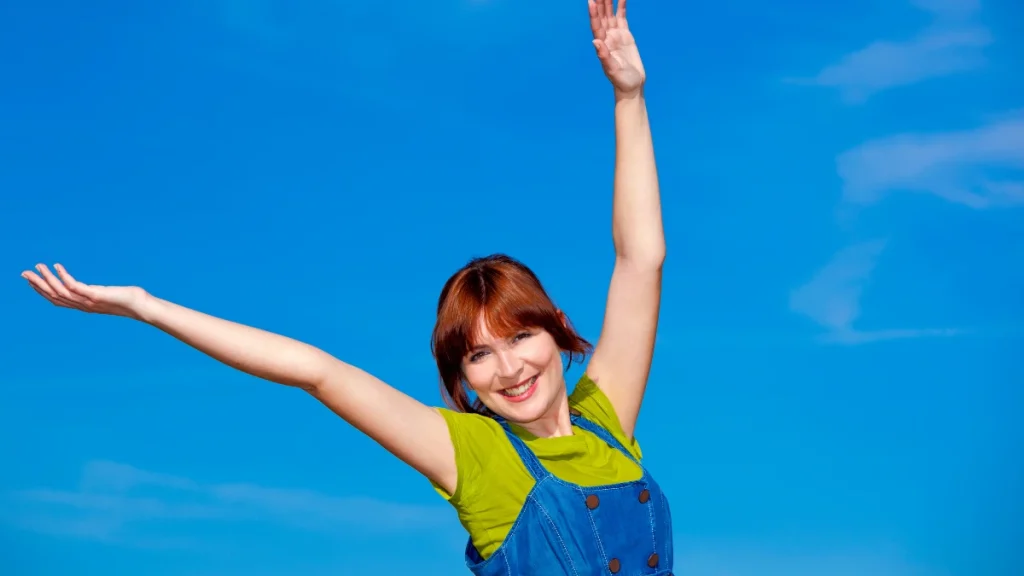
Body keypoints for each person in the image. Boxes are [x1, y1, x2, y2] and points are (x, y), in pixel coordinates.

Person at [22, 0, 669, 574]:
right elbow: (316, 371)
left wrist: (628, 99)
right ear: (462, 377)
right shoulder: (473, 455)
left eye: (520, 336)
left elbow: (641, 258)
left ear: (556, 328)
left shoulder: (607, 422)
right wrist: (146, 306)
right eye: (478, 354)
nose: (508, 368)